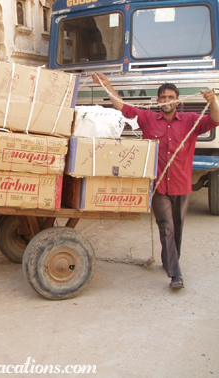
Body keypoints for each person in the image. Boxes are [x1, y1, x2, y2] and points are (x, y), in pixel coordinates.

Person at [90, 72, 219, 289]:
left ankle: (169, 260)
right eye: (163, 97)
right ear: (158, 101)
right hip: (159, 186)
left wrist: (213, 101)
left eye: (171, 97)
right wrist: (107, 85)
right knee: (166, 225)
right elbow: (123, 107)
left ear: (177, 100)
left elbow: (216, 119)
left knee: (177, 227)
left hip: (182, 186)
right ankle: (176, 274)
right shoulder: (148, 118)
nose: (167, 101)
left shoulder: (190, 120)